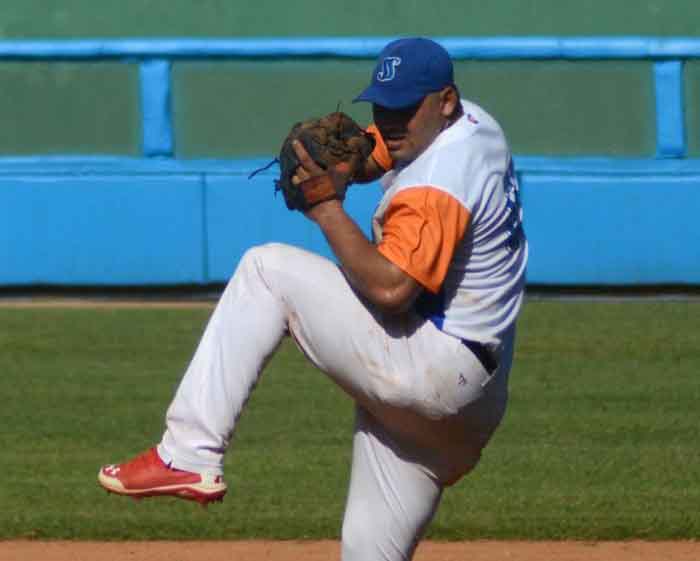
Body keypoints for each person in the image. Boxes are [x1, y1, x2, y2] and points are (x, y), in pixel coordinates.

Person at [99, 37, 528, 561]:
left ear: (444, 100)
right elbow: (378, 150)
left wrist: (326, 208)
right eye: (382, 106)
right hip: (465, 407)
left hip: (431, 368)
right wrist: (344, 158)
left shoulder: (440, 180)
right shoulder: (475, 127)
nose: (390, 121)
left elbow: (392, 290)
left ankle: (188, 452)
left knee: (267, 270)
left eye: (405, 108)